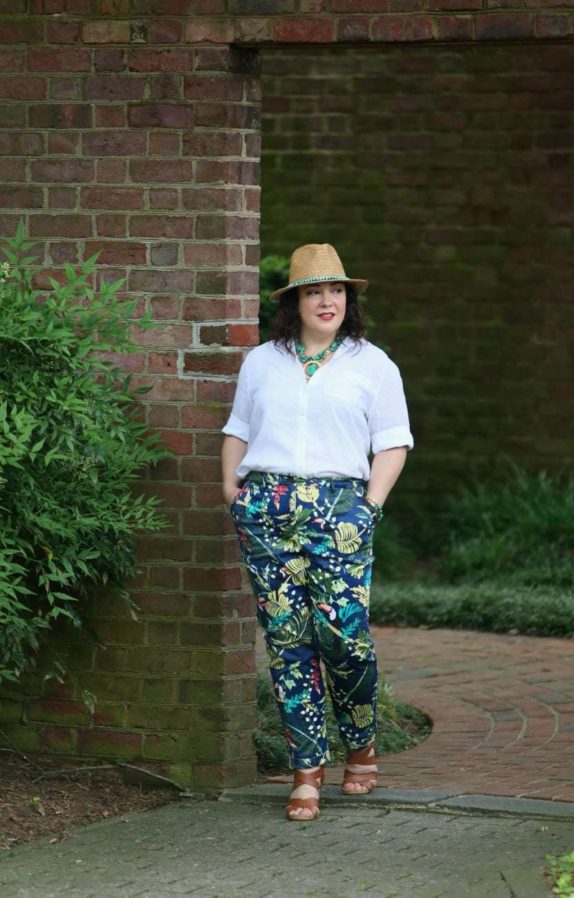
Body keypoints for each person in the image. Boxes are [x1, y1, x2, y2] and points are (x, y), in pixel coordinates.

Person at [221, 243, 414, 821]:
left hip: (340, 511)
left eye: (335, 291)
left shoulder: (373, 364)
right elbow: (237, 429)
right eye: (314, 291)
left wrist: (368, 507)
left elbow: (393, 442)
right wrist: (233, 492)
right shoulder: (261, 362)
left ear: (347, 299)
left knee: (345, 639)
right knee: (287, 642)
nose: (326, 300)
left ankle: (361, 744)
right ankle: (306, 770)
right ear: (295, 302)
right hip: (268, 509)